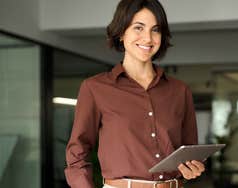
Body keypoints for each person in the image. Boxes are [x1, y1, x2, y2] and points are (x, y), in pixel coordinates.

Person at [64, 0, 205, 188]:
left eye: (155, 30)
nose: (148, 38)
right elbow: (77, 152)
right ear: (121, 32)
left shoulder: (180, 91)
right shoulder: (95, 88)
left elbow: (189, 153)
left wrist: (191, 170)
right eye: (139, 28)